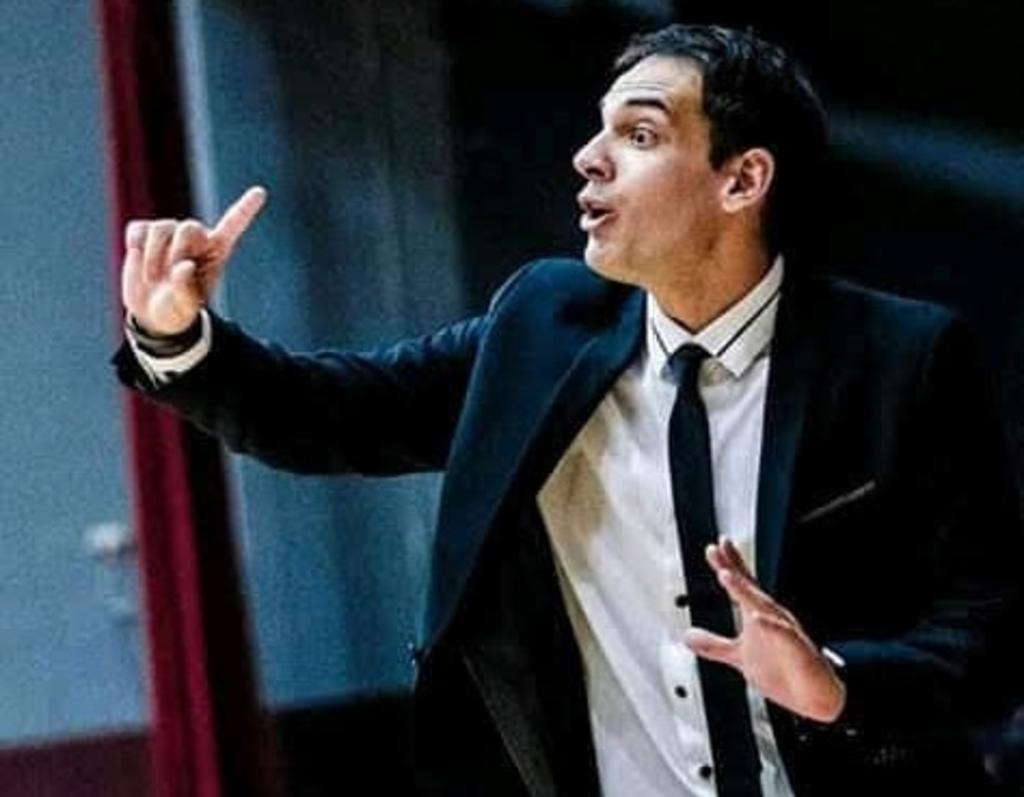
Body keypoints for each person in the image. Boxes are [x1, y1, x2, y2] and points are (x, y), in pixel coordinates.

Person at [114, 24, 1021, 796]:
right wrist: (176, 334)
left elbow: (993, 629)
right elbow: (329, 413)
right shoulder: (541, 328)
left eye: (639, 133)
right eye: (599, 128)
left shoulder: (901, 358)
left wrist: (838, 684)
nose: (589, 156)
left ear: (742, 179)